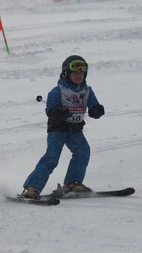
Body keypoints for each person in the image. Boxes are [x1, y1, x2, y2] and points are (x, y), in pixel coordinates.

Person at [21, 55, 105, 199]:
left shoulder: (87, 91)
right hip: (58, 130)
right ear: (66, 73)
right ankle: (32, 188)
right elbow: (50, 111)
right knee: (52, 158)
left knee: (83, 152)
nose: (79, 75)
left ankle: (72, 183)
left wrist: (96, 110)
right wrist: (58, 113)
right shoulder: (57, 91)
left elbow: (94, 105)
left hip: (75, 130)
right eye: (75, 72)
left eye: (81, 73)